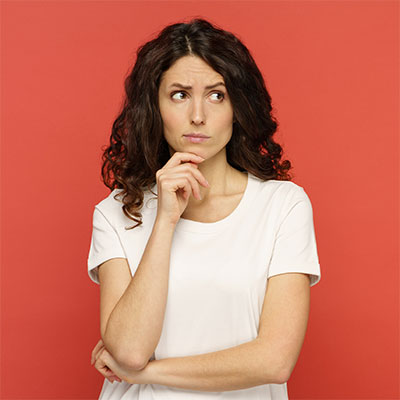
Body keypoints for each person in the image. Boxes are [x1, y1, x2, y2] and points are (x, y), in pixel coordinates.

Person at [87, 17, 321, 400]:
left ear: (238, 107)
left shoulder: (282, 206)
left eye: (216, 95)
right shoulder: (116, 212)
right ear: (155, 106)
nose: (198, 115)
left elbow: (274, 361)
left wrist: (147, 373)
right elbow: (129, 350)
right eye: (179, 94)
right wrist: (165, 221)